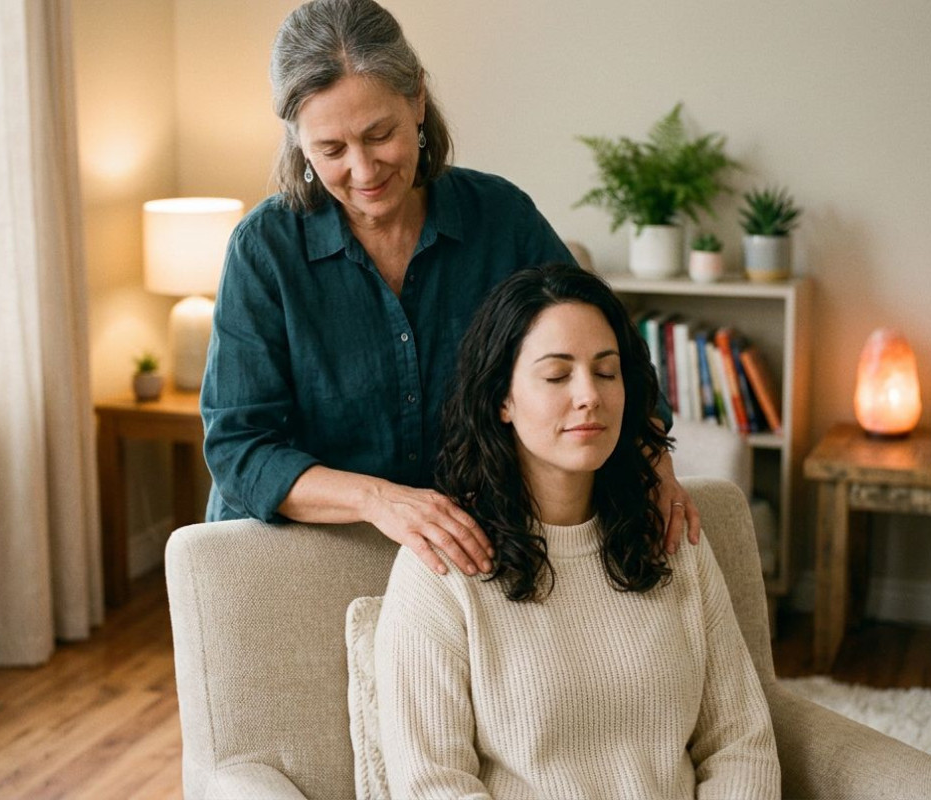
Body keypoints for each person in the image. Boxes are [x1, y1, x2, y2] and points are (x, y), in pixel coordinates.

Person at [201, 0, 699, 577]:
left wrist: (655, 464)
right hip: (302, 556)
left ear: (417, 99)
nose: (363, 171)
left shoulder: (500, 219)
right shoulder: (264, 251)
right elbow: (239, 450)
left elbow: (618, 361)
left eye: (380, 134)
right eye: (331, 150)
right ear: (297, 139)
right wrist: (379, 499)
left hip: (465, 554)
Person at [372, 263, 780, 798]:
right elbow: (431, 785)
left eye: (606, 372)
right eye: (557, 376)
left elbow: (741, 744)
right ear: (502, 399)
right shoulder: (441, 567)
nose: (589, 395)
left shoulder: (670, 535)